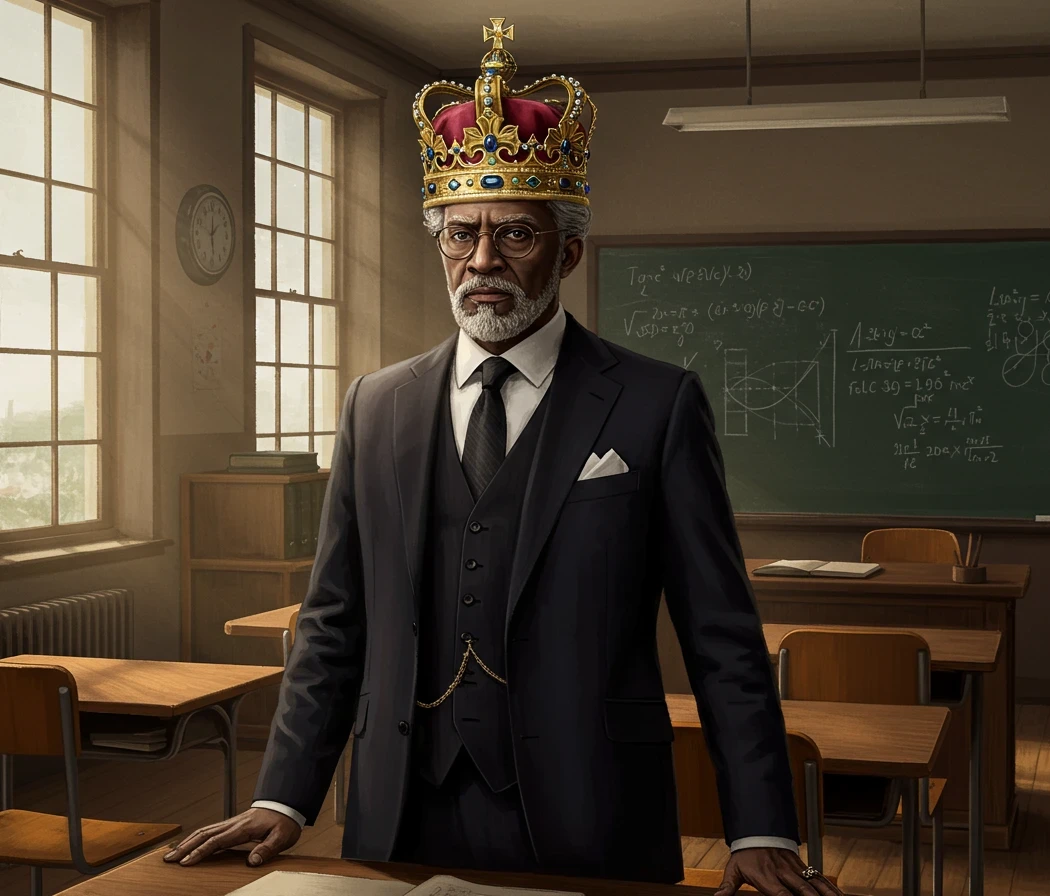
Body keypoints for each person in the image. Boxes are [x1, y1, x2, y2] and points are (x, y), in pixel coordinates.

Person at [165, 18, 841, 896]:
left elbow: (721, 637)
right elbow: (334, 623)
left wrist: (757, 823)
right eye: (460, 235)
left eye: (515, 236)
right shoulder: (377, 404)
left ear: (567, 250)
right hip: (400, 804)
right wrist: (286, 798)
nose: (482, 261)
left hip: (589, 805)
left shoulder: (655, 403)